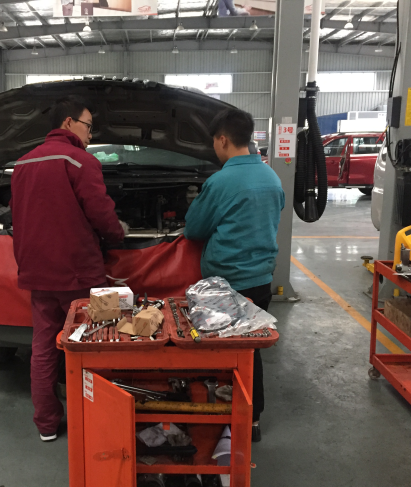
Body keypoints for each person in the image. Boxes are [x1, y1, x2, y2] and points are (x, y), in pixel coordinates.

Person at [10, 96, 125, 442]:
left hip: (37, 273)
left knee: (43, 348)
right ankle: (98, 418)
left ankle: (46, 424)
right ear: (69, 123)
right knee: (99, 341)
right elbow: (100, 212)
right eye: (88, 126)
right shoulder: (81, 161)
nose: (91, 134)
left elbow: (18, 214)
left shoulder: (23, 163)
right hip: (83, 274)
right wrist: (118, 235)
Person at [183, 108, 284, 443]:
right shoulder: (271, 177)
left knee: (217, 348)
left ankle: (215, 414)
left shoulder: (220, 181)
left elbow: (194, 229)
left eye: (214, 141)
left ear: (223, 140)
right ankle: (252, 420)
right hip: (261, 280)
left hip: (225, 285)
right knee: (250, 349)